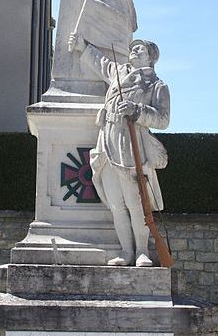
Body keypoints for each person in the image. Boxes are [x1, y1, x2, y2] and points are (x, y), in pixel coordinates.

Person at [68, 33, 170, 266]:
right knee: (116, 205)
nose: (134, 52)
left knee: (136, 204)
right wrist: (82, 46)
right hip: (107, 141)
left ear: (152, 58)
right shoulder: (120, 72)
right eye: (133, 49)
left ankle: (142, 251)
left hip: (131, 145)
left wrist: (136, 109)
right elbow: (101, 63)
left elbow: (163, 120)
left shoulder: (156, 85)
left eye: (140, 50)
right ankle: (126, 252)